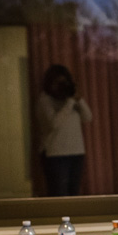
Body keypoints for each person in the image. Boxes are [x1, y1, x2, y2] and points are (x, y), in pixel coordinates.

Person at [36, 64, 92, 196]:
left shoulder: (70, 99)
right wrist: (70, 102)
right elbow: (54, 124)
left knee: (74, 194)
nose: (62, 86)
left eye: (65, 82)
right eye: (58, 83)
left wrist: (79, 99)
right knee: (59, 194)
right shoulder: (45, 100)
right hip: (55, 155)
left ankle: (71, 217)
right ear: (50, 83)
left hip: (76, 152)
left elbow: (88, 117)